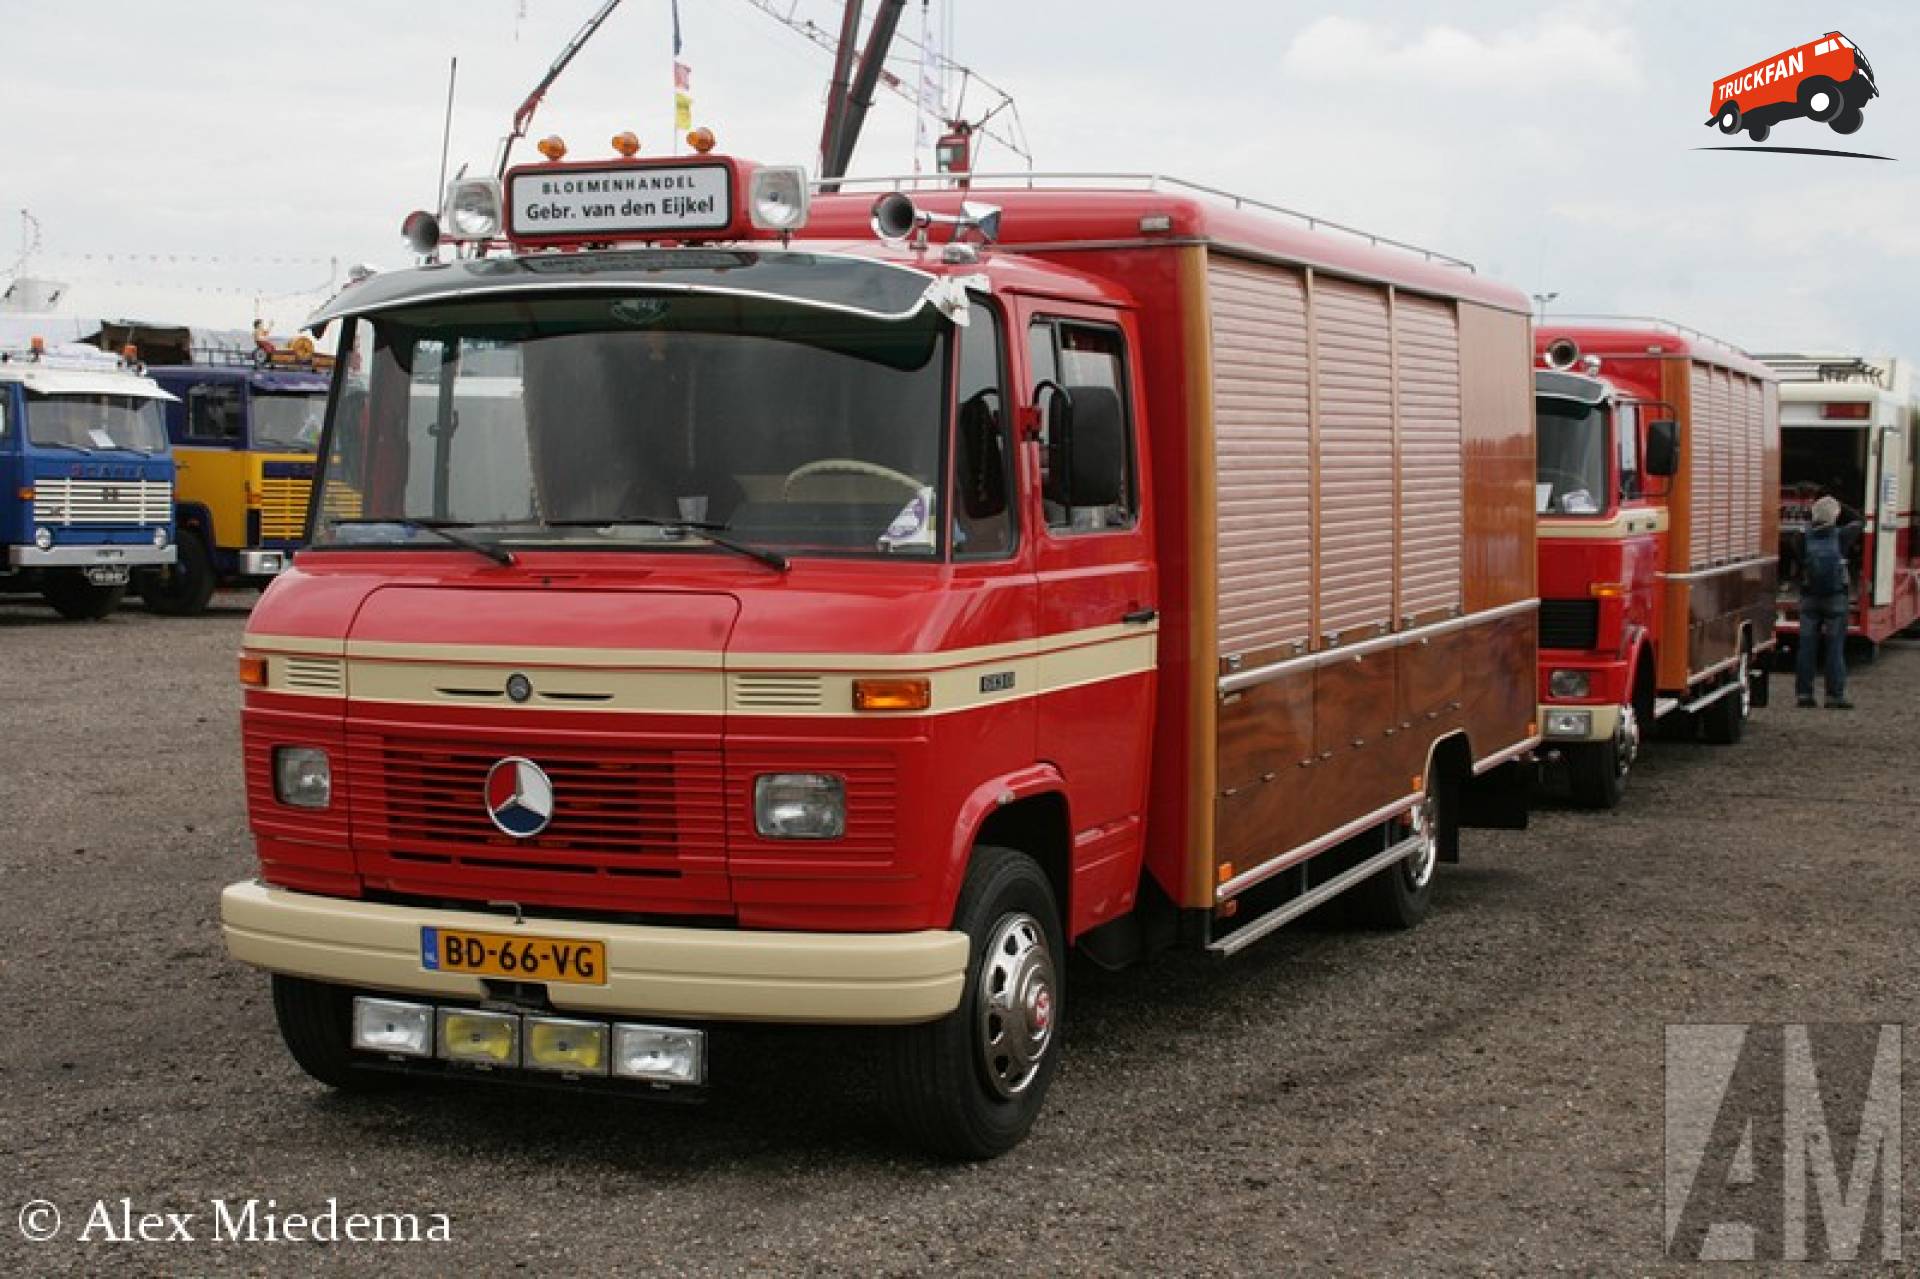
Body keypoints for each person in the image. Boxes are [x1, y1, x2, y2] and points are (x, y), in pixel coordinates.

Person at [1795, 495, 1864, 709]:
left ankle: (1804, 694)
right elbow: (1860, 520)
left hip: (1809, 598)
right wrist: (1840, 505)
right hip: (1835, 598)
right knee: (1835, 648)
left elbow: (1799, 560)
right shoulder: (1842, 535)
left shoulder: (1802, 537)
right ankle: (1834, 696)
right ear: (1835, 516)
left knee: (1806, 647)